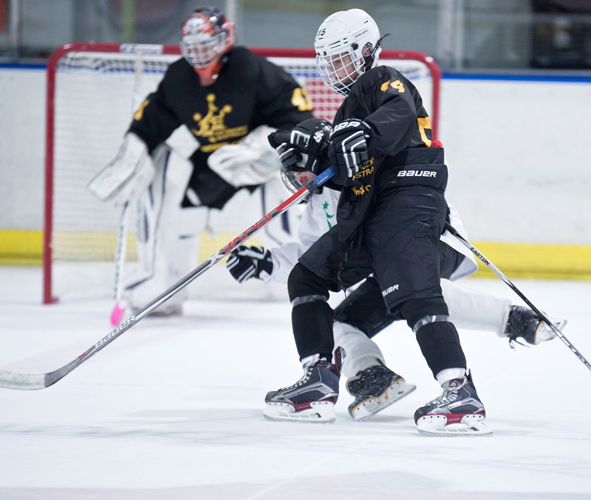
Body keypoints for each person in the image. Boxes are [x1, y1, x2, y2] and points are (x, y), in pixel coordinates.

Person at [258, 8, 499, 435]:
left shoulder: (385, 80)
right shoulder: (347, 111)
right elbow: (347, 169)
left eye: (340, 57)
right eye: (326, 60)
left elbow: (397, 111)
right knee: (307, 276)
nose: (333, 68)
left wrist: (361, 133)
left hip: (407, 197)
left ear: (366, 51)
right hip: (367, 212)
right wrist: (310, 160)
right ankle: (318, 382)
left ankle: (460, 392)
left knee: (415, 294)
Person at [226, 119, 563, 422]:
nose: (298, 182)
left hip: (429, 240)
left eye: (300, 172)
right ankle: (374, 376)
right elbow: (316, 259)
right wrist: (267, 263)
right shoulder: (318, 205)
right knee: (344, 321)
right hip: (384, 258)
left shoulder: (361, 171)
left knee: (410, 288)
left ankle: (511, 323)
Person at [87, 6, 313, 316]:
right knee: (163, 174)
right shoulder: (179, 78)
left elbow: (299, 116)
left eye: (207, 44)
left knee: (290, 191)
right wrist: (135, 146)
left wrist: (262, 146)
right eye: (192, 46)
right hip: (212, 167)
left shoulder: (252, 69)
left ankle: (308, 276)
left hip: (260, 167)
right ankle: (166, 284)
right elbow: (151, 121)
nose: (200, 54)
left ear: (226, 39)